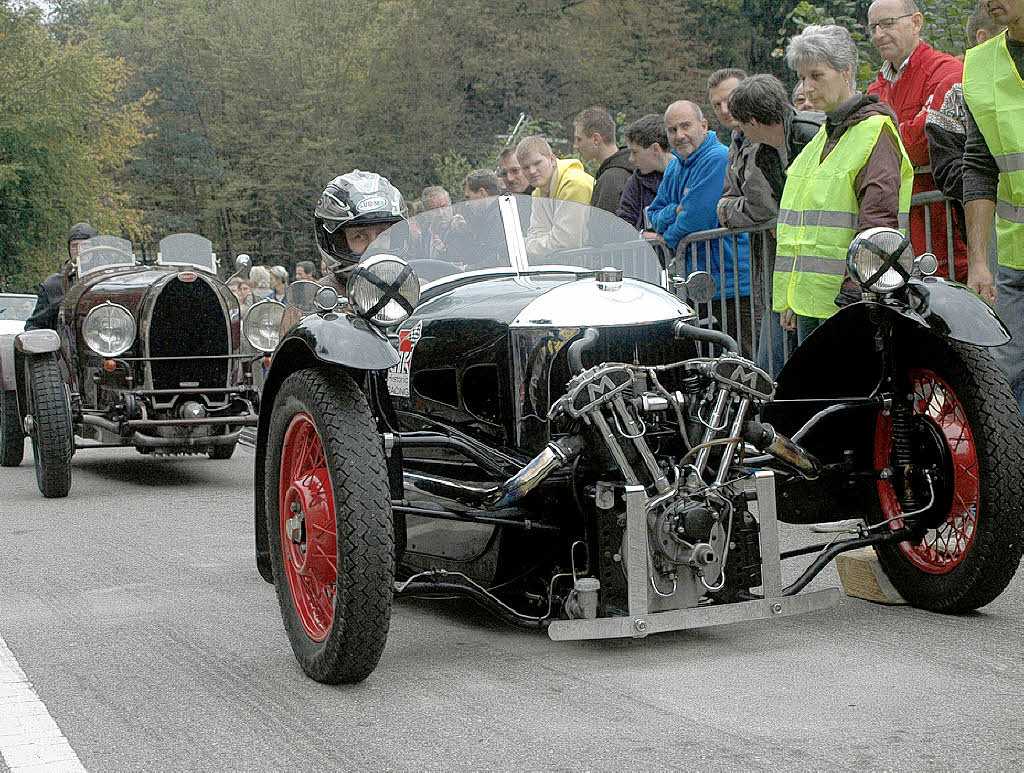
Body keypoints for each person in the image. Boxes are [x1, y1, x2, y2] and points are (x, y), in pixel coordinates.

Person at [776, 24, 913, 345]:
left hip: (849, 302)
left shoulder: (873, 131)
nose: (806, 87)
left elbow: (879, 219)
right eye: (801, 77)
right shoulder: (822, 138)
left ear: (846, 71)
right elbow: (801, 230)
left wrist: (857, 289)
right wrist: (791, 299)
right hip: (813, 304)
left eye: (817, 75)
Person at [722, 74, 825, 376]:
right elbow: (778, 216)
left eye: (741, 123)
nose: (738, 130)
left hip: (824, 267)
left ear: (753, 121)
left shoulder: (812, 136)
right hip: (791, 267)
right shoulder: (765, 153)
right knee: (774, 365)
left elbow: (788, 213)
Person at [866, 0, 968, 281]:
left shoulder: (946, 70)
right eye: (873, 27)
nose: (878, 34)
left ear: (916, 22)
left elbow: (926, 143)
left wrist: (875, 148)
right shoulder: (875, 89)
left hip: (944, 232)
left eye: (888, 23)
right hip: (898, 240)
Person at [647, 100, 752, 353]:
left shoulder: (716, 158)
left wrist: (667, 235)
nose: (679, 135)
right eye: (672, 130)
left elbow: (695, 222)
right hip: (698, 286)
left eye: (686, 126)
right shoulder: (674, 166)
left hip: (731, 285)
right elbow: (653, 214)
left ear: (703, 126)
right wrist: (676, 210)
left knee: (741, 359)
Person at [962, 0, 1024, 417]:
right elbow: (980, 165)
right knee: (1004, 378)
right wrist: (979, 260)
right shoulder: (981, 64)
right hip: (1015, 262)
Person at [312, 170, 406, 294]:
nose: (374, 245)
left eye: (383, 234)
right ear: (339, 243)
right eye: (359, 236)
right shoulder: (314, 300)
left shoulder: (417, 290)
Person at [517, 135, 595, 257]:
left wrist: (523, 246)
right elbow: (536, 233)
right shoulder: (538, 191)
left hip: (592, 265)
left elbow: (566, 241)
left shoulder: (575, 183)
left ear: (552, 159)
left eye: (537, 163)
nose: (532, 171)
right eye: (525, 167)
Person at [25, 222, 98, 331]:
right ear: (69, 249)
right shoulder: (54, 285)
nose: (80, 250)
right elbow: (35, 326)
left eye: (86, 245)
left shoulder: (111, 282)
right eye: (75, 246)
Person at [573, 106, 634, 213]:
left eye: (579, 139)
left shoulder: (610, 180)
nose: (576, 146)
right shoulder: (630, 168)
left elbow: (602, 228)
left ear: (596, 139)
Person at [617, 114, 672, 231]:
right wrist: (643, 236)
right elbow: (623, 224)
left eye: (635, 152)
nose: (630, 159)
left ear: (655, 149)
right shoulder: (635, 182)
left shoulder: (686, 173)